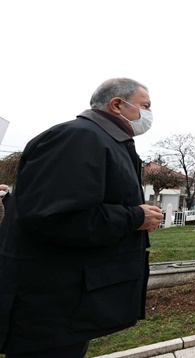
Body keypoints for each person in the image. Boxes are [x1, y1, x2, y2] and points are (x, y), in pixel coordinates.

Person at [0, 78, 164, 358]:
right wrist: (134, 217)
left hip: (70, 303)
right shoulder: (78, 138)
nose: (149, 114)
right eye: (145, 106)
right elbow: (53, 217)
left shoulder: (107, 141)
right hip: (50, 306)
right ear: (117, 105)